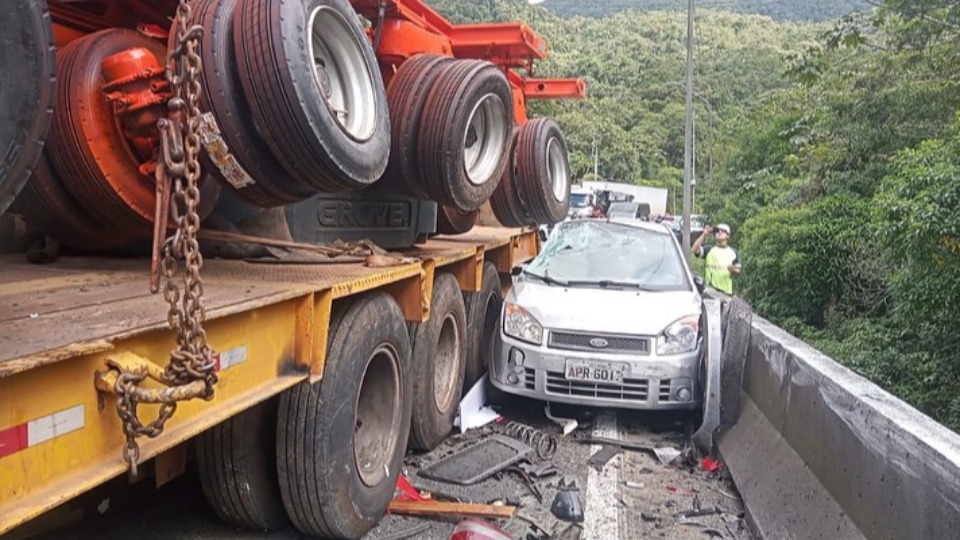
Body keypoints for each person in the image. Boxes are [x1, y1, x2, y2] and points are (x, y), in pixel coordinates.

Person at [692, 223, 741, 294]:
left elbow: (738, 270)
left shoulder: (733, 252)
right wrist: (704, 234)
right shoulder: (709, 250)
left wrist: (733, 269)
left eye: (723, 231)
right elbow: (694, 249)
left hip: (726, 293)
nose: (719, 232)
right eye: (717, 231)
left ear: (728, 235)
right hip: (709, 292)